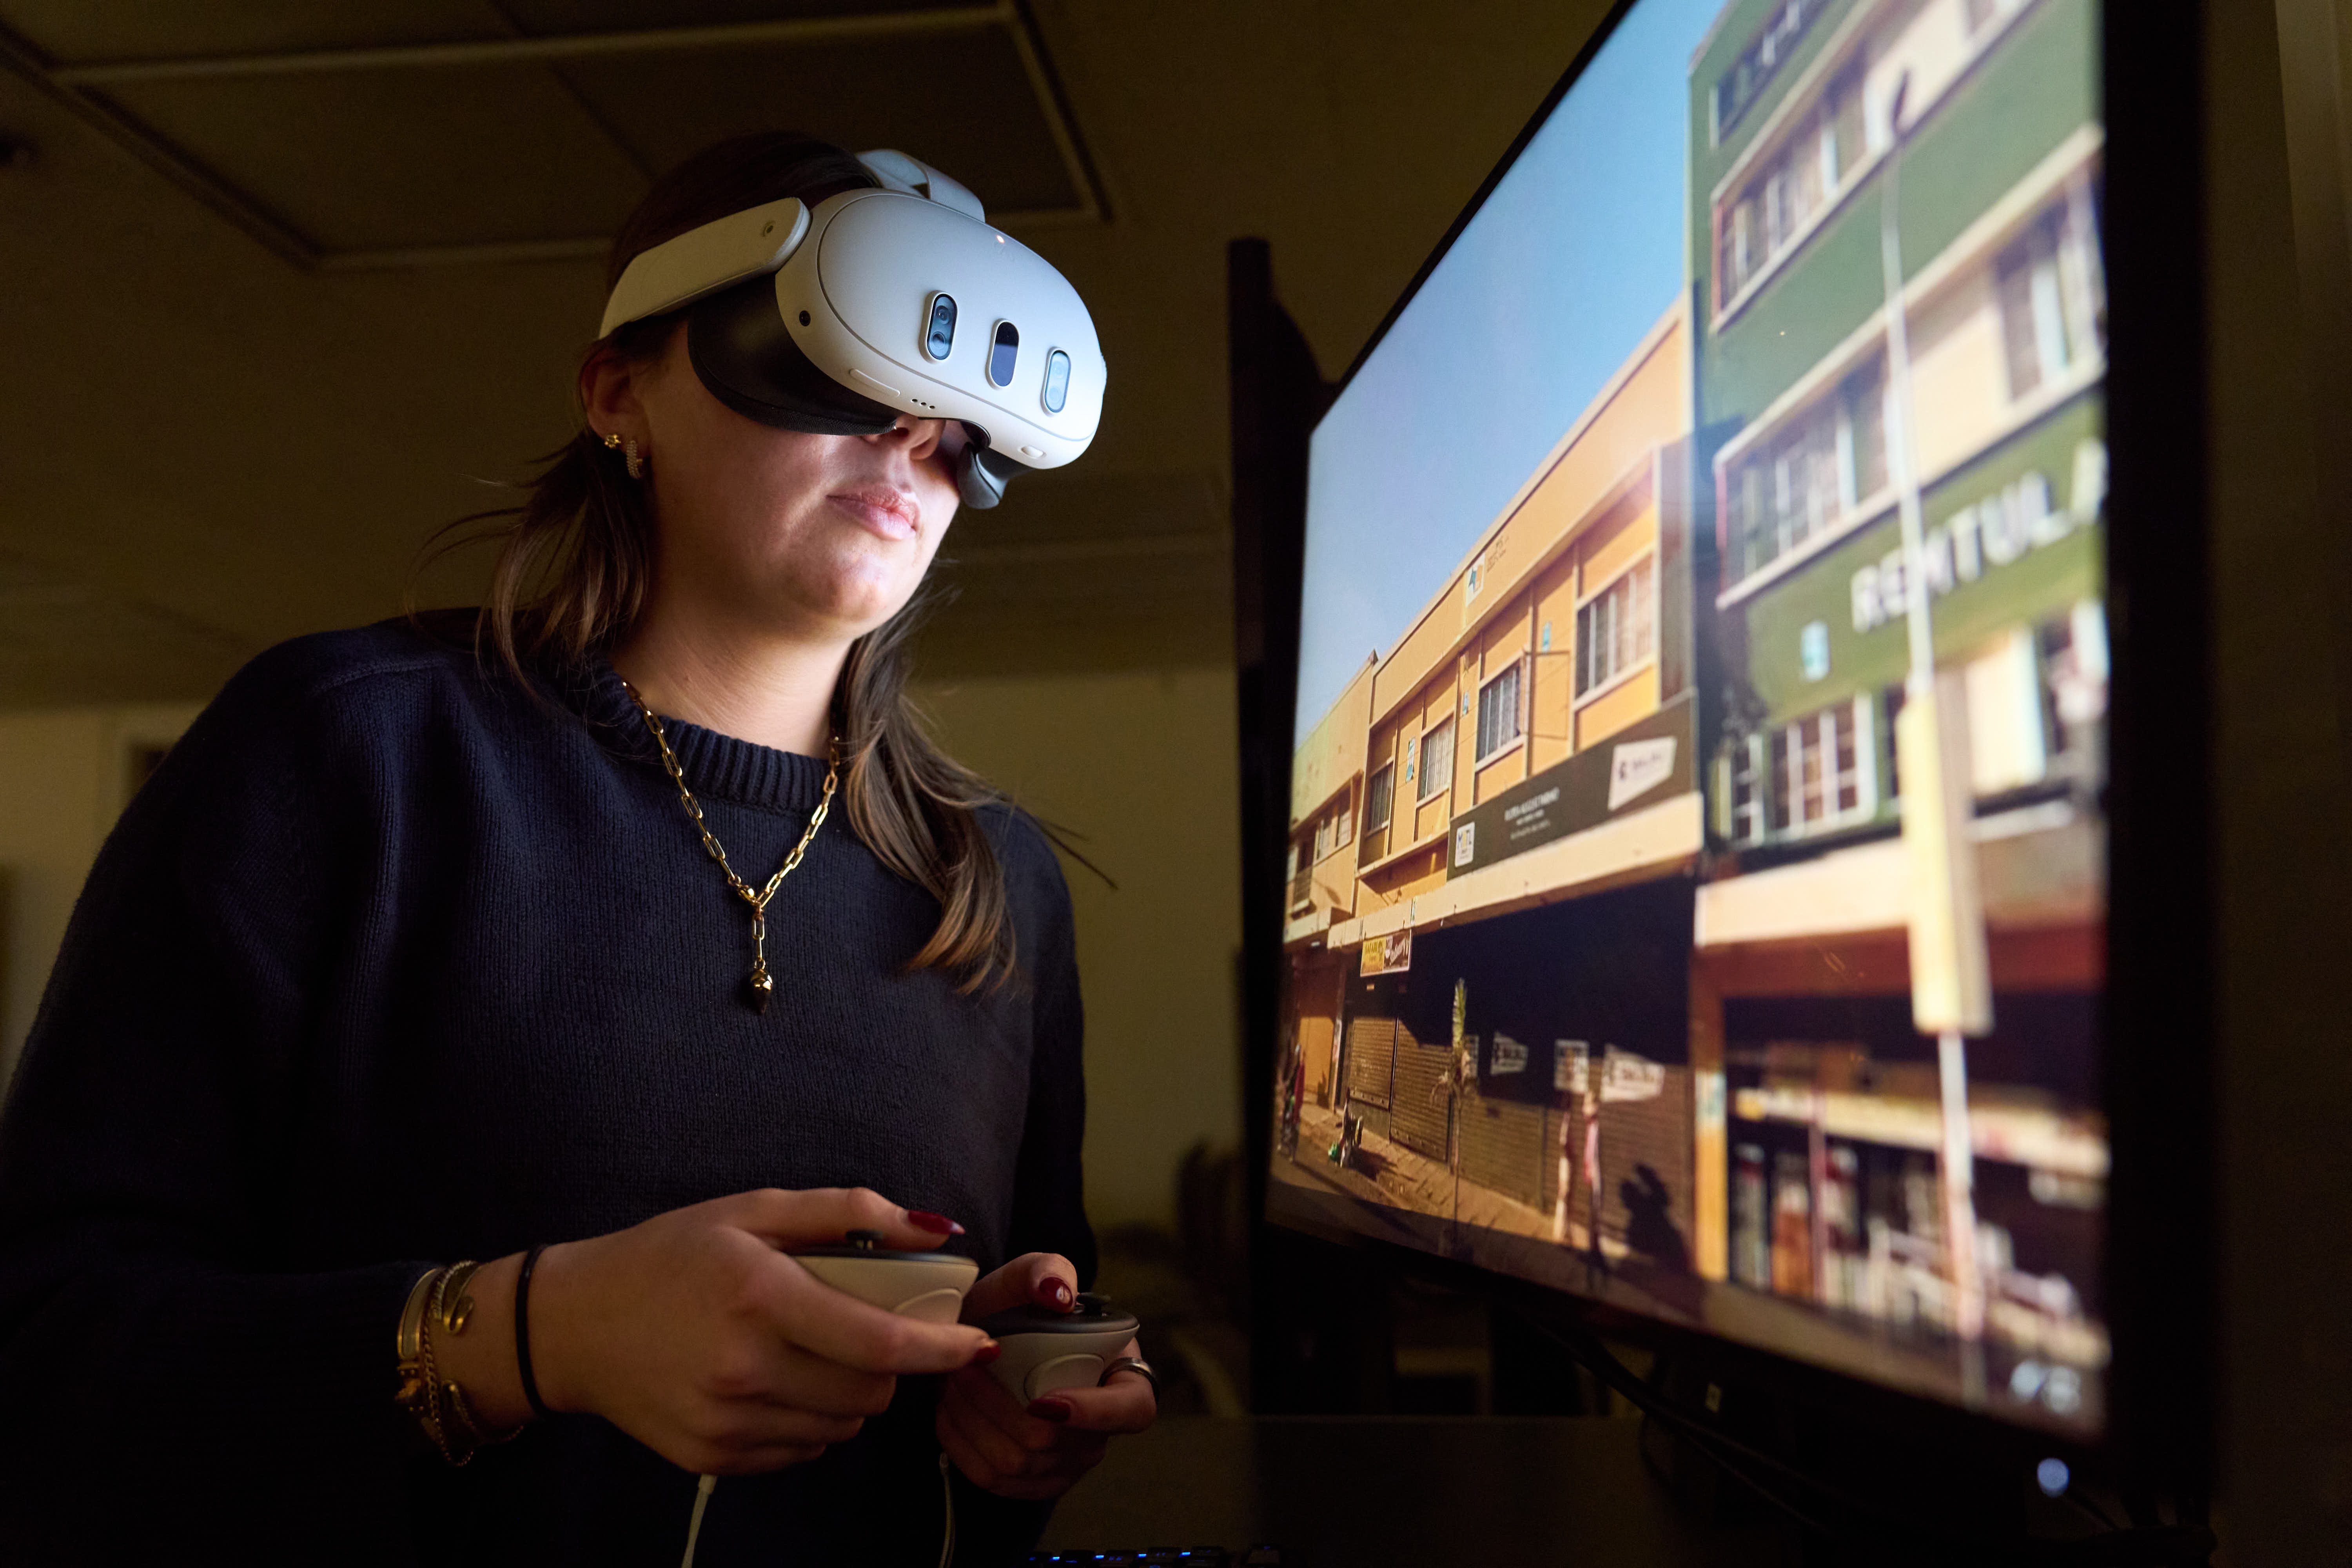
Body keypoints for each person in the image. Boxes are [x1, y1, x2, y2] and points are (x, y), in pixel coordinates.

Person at [0, 132, 1152, 1564]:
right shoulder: (342, 760)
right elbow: (42, 1358)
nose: (913, 442)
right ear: (620, 393)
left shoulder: (995, 884)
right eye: (843, 373)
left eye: (951, 430)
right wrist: (533, 1336)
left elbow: (1025, 1347)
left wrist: (1017, 1394)